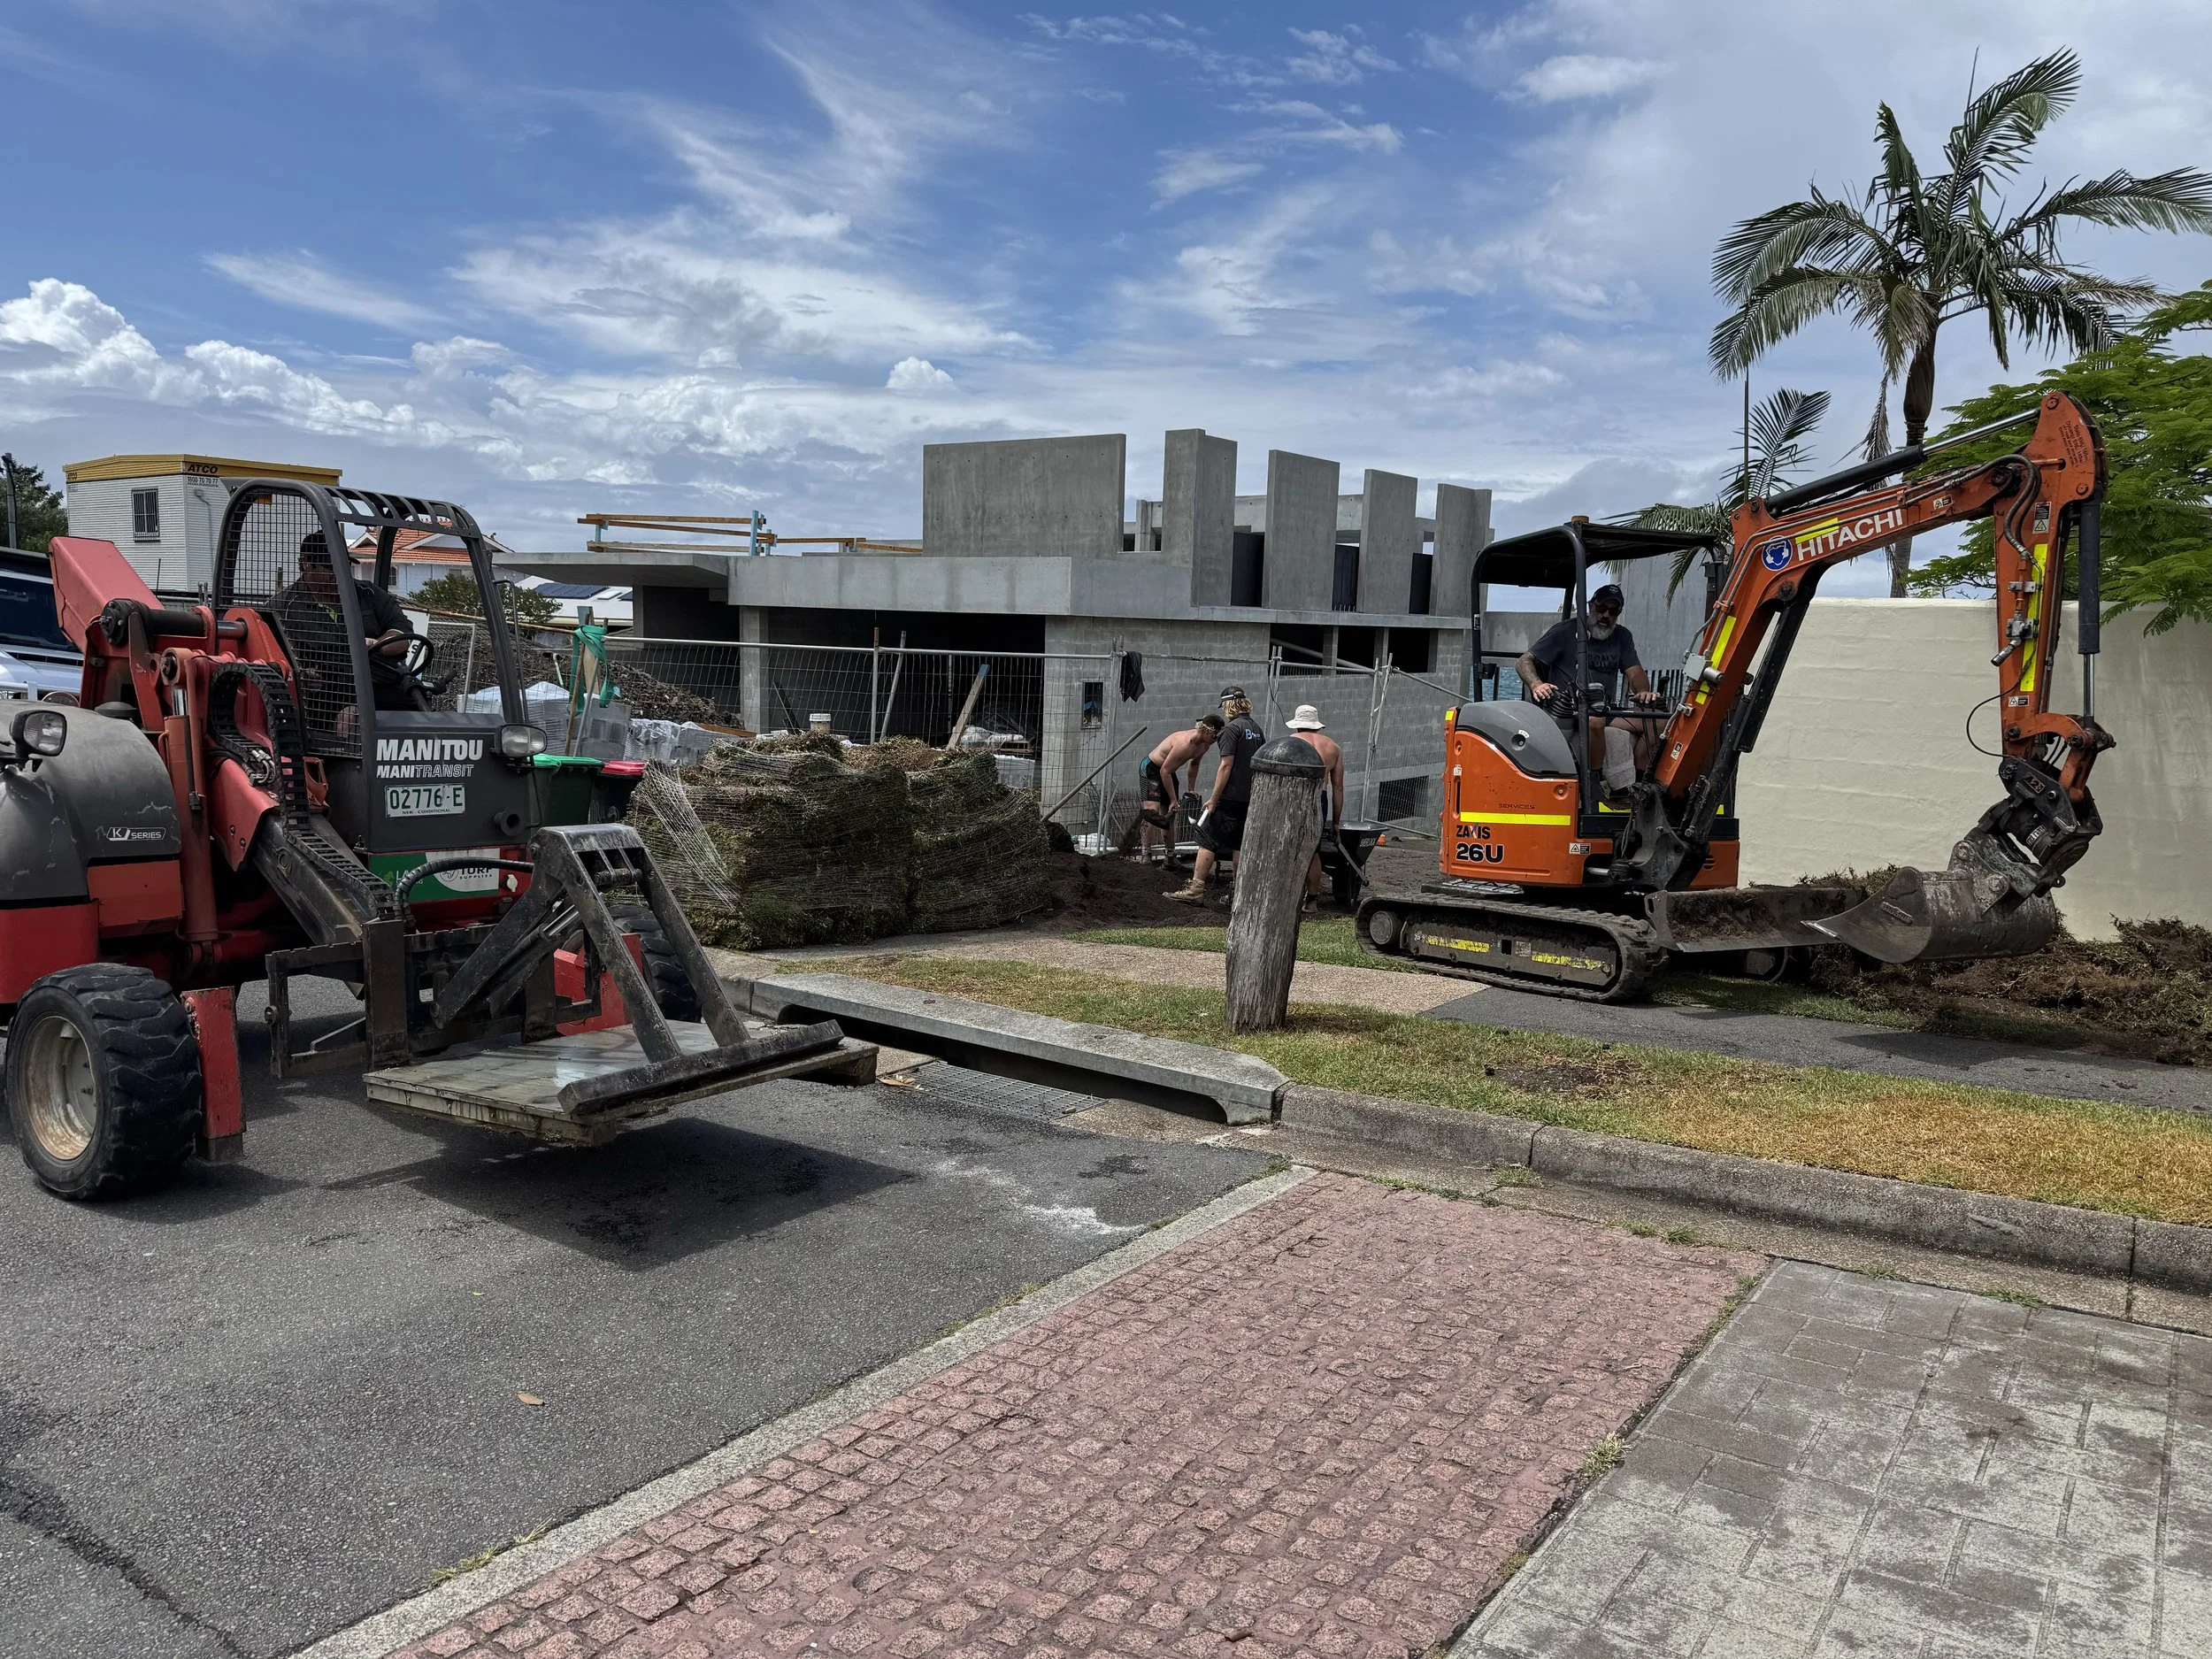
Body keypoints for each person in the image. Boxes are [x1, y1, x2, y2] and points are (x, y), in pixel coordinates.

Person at [1516, 582, 1663, 792]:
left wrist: (1643, 692)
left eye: (1613, 611)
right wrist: (1536, 684)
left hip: (1606, 708)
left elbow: (1635, 672)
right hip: (1569, 710)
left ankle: (1640, 783)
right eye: (1602, 608)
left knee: (1660, 723)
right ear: (1591, 606)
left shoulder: (1622, 636)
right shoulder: (1565, 631)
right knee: (1595, 719)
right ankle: (1595, 783)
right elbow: (1524, 661)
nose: (1606, 615)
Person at [274, 530, 424, 723]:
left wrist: (376, 645)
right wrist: (300, 673)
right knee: (347, 719)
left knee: (419, 709)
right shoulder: (282, 607)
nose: (338, 576)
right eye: (330, 568)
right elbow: (269, 658)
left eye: (344, 567)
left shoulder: (369, 594)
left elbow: (401, 635)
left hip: (377, 684)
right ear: (306, 564)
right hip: (321, 695)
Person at [1168, 687, 1265, 903]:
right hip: (1249, 798)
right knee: (1239, 845)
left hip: (1229, 798)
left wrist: (1214, 798)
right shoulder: (1256, 729)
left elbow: (1226, 766)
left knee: (1207, 840)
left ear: (1229, 705)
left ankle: (1196, 889)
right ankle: (1237, 893)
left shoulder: (1231, 730)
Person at [1118, 713, 1224, 859]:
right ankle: (1145, 855)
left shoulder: (1205, 745)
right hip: (1153, 769)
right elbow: (1164, 771)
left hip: (1168, 772)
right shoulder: (1184, 744)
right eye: (1215, 735)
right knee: (1151, 812)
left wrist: (1191, 789)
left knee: (1170, 813)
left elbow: (1194, 764)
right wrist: (1174, 799)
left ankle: (1170, 857)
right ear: (1206, 730)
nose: (1215, 740)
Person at [1284, 704, 1345, 910]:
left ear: (1297, 724)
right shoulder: (1333, 747)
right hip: (1320, 798)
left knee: (1290, 846)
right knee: (1313, 850)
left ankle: (1289, 895)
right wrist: (1336, 823)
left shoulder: (1291, 743)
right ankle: (1312, 900)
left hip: (1295, 797)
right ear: (1317, 725)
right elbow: (1338, 788)